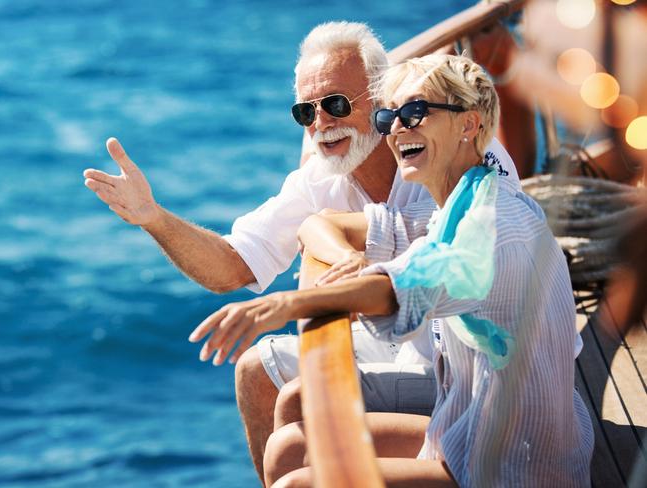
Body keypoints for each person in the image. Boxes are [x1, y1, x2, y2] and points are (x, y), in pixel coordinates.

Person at [83, 21, 520, 483]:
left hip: (470, 366)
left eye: (334, 105)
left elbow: (442, 265)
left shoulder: (451, 158)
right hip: (398, 345)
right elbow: (233, 264)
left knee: (298, 430)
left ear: (382, 100)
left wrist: (305, 294)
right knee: (256, 371)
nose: (320, 125)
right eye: (305, 113)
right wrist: (154, 218)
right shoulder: (319, 180)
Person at [189, 53, 594, 487]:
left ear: (469, 125)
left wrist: (286, 304)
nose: (398, 129)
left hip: (516, 463)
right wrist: (351, 259)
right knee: (291, 445)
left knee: (297, 483)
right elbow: (324, 223)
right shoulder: (458, 202)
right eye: (390, 116)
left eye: (416, 112)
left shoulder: (492, 230)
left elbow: (396, 292)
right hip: (470, 425)